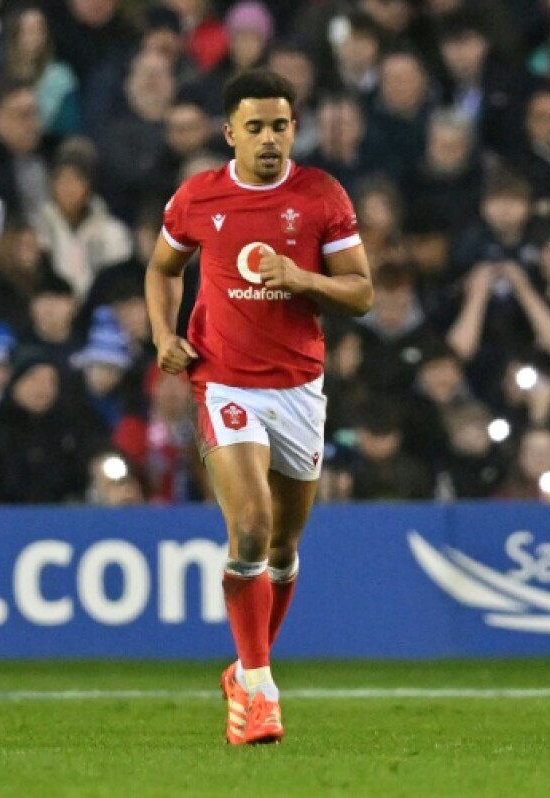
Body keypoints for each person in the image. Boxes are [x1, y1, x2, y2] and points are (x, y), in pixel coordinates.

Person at [145, 68, 372, 745]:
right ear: (230, 133)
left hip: (299, 386)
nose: (270, 139)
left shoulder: (321, 196)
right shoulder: (199, 198)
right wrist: (164, 333)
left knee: (282, 546)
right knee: (249, 524)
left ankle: (245, 669)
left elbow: (361, 292)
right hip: (225, 382)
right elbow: (163, 267)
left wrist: (303, 278)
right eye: (256, 127)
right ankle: (263, 687)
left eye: (280, 126)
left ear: (294, 129)